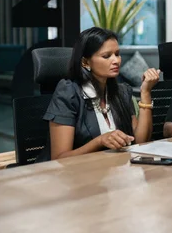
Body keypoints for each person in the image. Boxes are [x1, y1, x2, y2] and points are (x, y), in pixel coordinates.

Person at [41, 27, 160, 160]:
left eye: (117, 54)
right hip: (74, 175)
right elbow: (59, 158)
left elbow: (140, 142)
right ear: (85, 62)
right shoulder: (68, 93)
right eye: (106, 56)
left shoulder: (121, 92)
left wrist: (145, 92)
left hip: (112, 170)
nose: (116, 60)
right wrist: (99, 141)